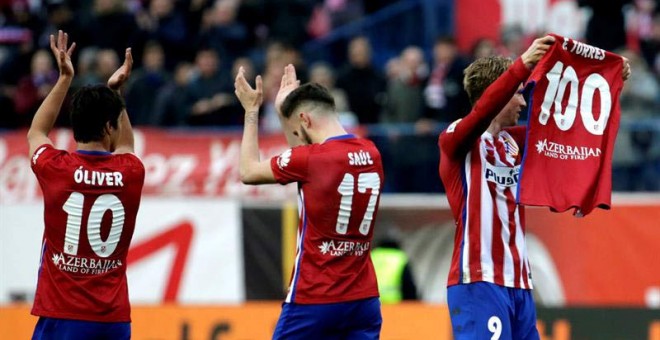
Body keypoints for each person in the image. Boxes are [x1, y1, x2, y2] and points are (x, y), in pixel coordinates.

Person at [438, 36, 631, 339]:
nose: (524, 102)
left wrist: (606, 84)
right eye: (517, 93)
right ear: (496, 93)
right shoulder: (457, 139)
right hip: (479, 279)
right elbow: (481, 114)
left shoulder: (512, 142)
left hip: (520, 283)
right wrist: (523, 65)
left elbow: (568, 127)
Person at [234, 64, 384, 339]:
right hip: (364, 300)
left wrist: (251, 112)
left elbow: (248, 171)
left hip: (315, 297)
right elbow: (307, 158)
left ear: (304, 120)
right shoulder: (372, 152)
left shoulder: (311, 159)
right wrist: (284, 113)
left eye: (296, 127)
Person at [27, 31, 144, 339]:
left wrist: (64, 78)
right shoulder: (131, 171)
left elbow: (37, 132)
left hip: (63, 316)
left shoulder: (56, 169)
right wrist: (116, 92)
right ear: (110, 126)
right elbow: (127, 145)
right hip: (114, 321)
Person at [370, 238, 418, 303]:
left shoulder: (372, 256)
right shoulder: (400, 257)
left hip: (373, 303)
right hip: (394, 305)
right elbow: (408, 285)